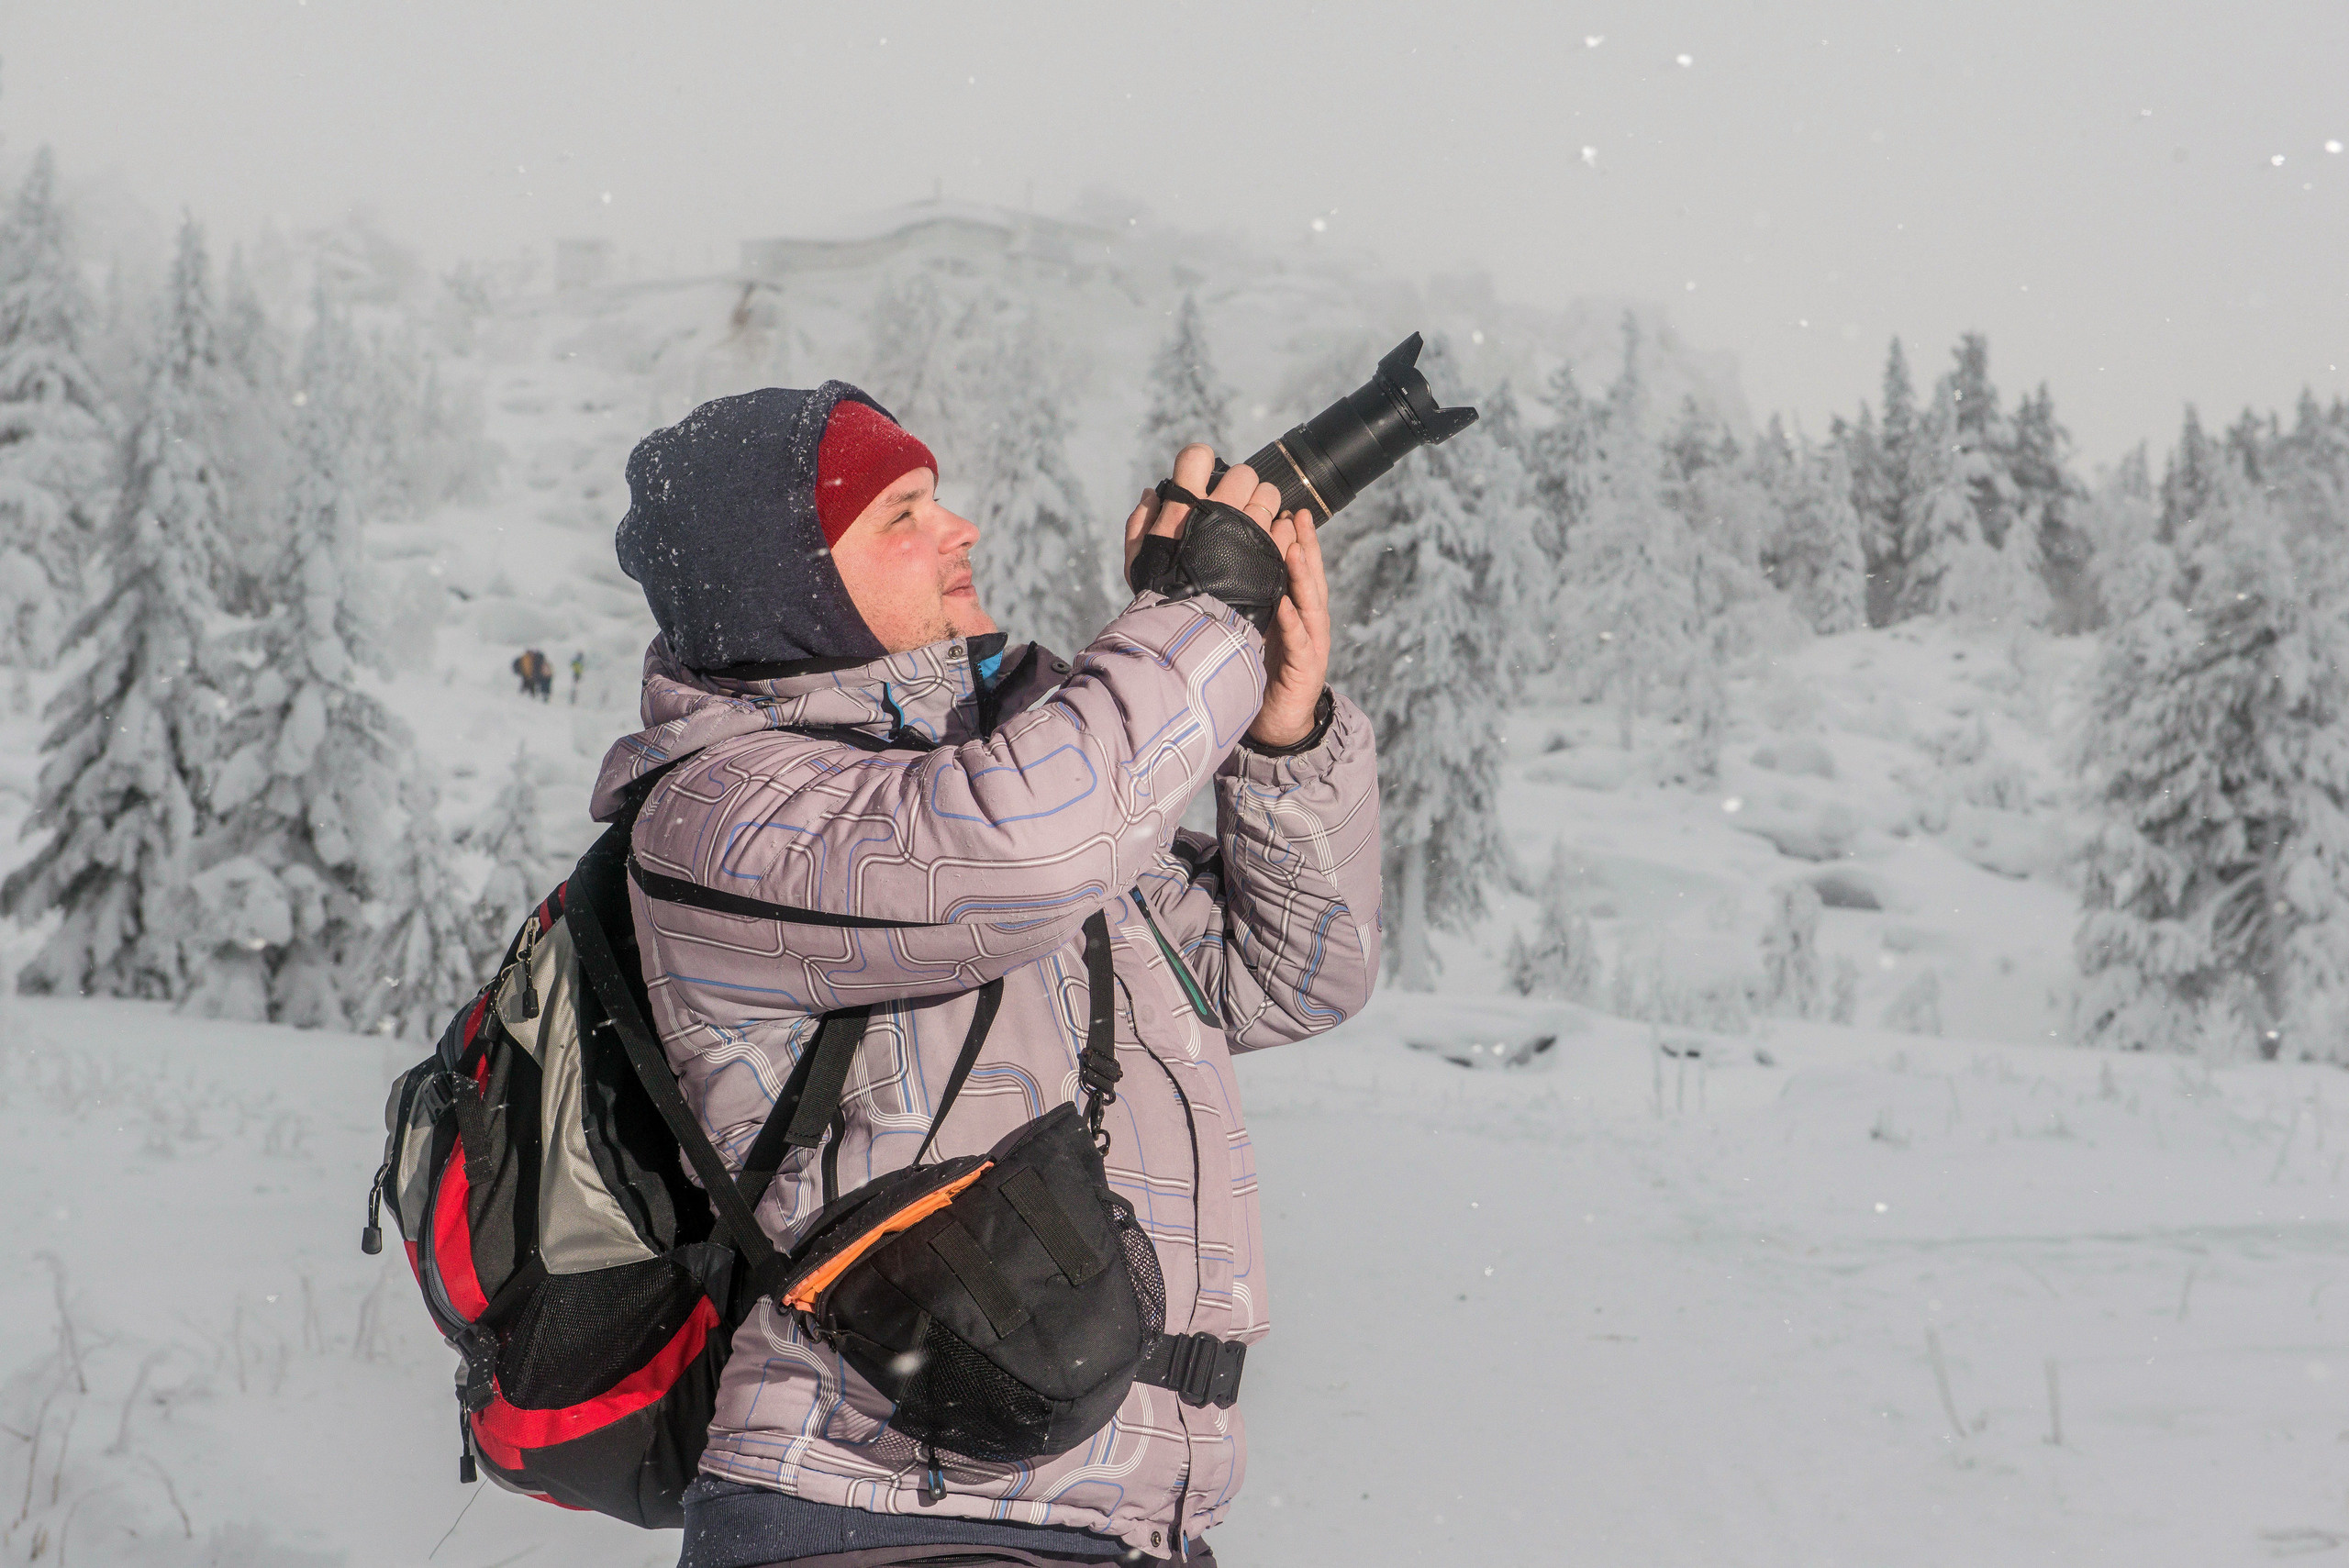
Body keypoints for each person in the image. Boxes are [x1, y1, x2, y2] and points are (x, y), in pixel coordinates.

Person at [595, 383, 1382, 1567]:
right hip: (871, 1509)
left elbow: (1295, 969)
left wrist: (1282, 735)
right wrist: (1202, 610)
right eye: (905, 512)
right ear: (788, 580)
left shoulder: (989, 778)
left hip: (1108, 1517)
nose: (961, 529)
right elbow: (1022, 841)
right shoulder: (727, 809)